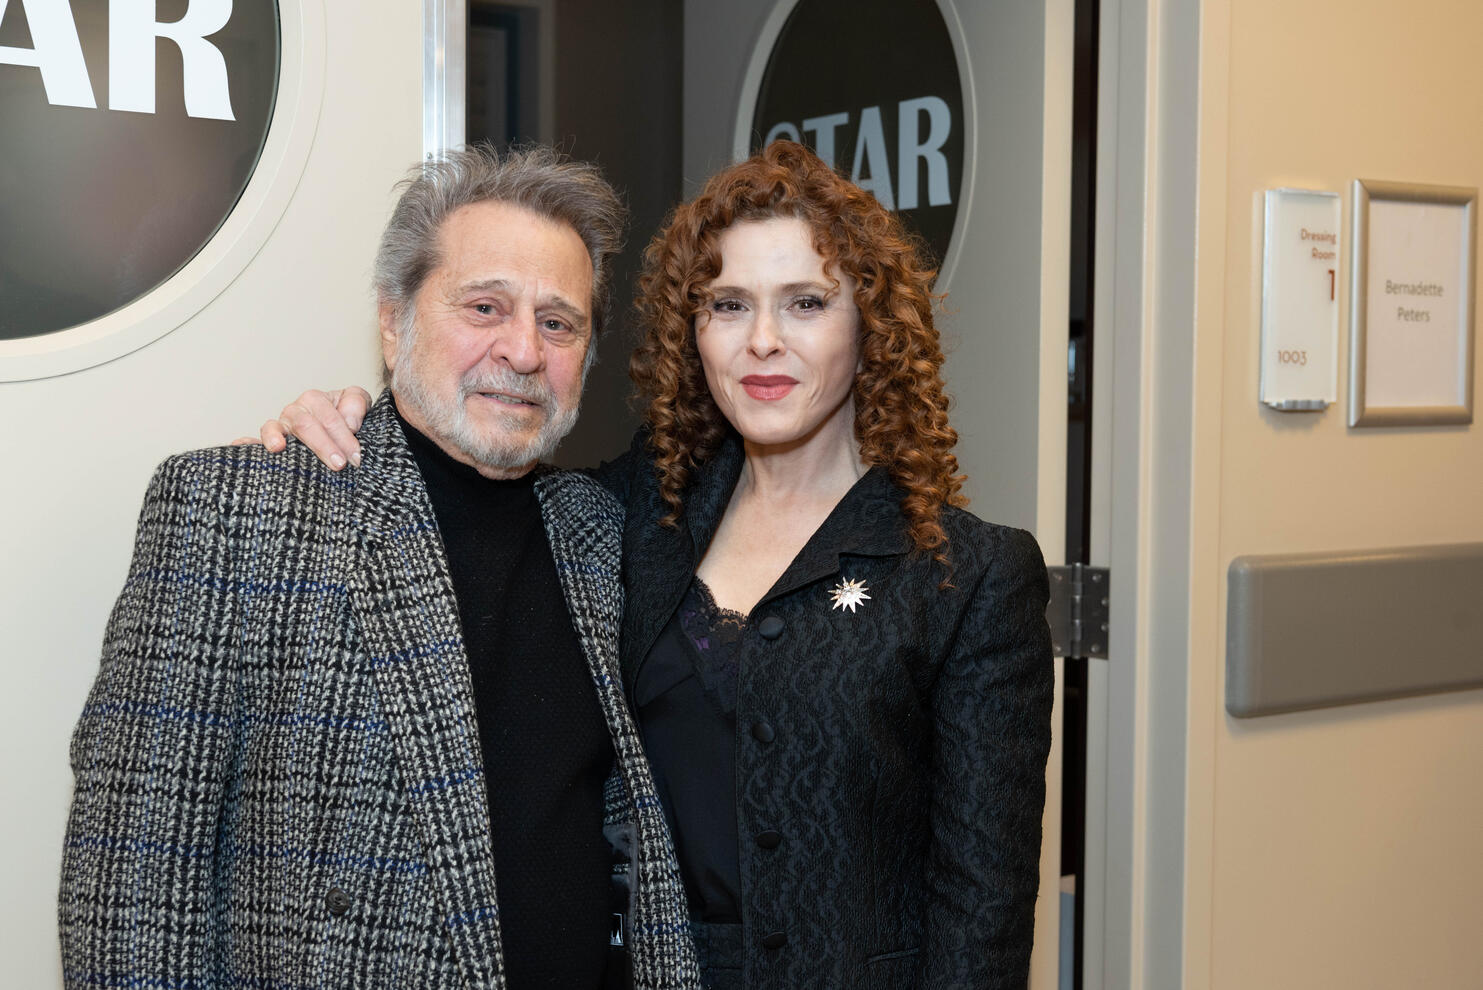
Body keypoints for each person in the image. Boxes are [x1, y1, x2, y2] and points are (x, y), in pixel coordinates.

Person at [254, 141, 1054, 989]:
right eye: (729, 305)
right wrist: (331, 436)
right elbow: (465, 481)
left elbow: (982, 916)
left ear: (870, 329)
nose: (764, 342)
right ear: (693, 332)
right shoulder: (627, 514)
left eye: (807, 303)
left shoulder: (967, 577)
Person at [58, 146, 701, 990]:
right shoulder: (234, 512)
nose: (521, 350)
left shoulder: (602, 531)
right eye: (484, 306)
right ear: (393, 322)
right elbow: (132, 883)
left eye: (558, 322)